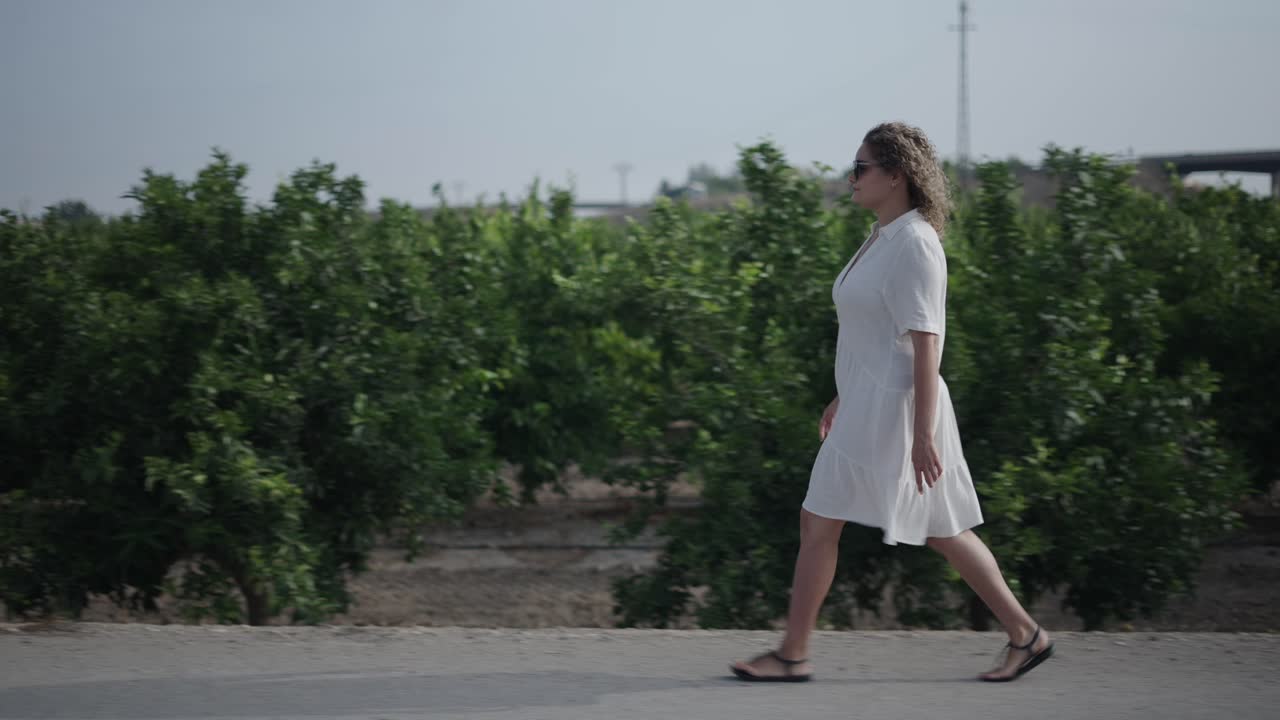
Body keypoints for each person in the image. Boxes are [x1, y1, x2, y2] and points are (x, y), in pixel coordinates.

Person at [730, 121, 1054, 683]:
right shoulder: (883, 237)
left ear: (896, 175)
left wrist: (922, 434)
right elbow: (878, 335)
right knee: (856, 521)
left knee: (916, 526)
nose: (851, 178)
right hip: (868, 404)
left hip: (899, 411)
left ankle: (794, 654)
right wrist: (843, 394)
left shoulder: (915, 244)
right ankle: (1025, 636)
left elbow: (927, 343)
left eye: (861, 168)